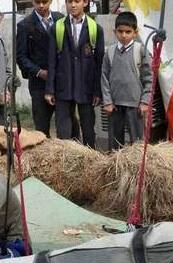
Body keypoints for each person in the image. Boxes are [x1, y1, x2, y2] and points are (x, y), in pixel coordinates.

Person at [45, 0, 105, 148]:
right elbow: (52, 61)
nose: (73, 5)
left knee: (88, 130)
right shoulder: (57, 28)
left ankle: (90, 162)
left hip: (86, 87)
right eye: (69, 1)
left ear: (85, 3)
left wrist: (98, 91)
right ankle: (65, 163)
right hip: (63, 87)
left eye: (77, 1)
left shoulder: (95, 29)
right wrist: (49, 89)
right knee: (63, 132)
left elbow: (99, 63)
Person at [101, 11, 151, 151]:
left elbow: (149, 78)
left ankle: (136, 170)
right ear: (114, 31)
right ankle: (115, 168)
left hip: (135, 106)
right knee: (115, 143)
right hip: (115, 105)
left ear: (135, 32)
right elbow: (104, 77)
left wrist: (145, 101)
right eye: (120, 31)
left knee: (137, 142)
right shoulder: (110, 52)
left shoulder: (140, 50)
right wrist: (108, 101)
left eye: (128, 32)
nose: (124, 35)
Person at [16, 0, 65, 137]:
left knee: (67, 125)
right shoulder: (25, 25)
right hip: (39, 85)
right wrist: (39, 72)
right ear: (33, 2)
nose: (41, 6)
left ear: (50, 1)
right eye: (38, 2)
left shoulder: (60, 19)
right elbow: (21, 57)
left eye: (45, 2)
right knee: (42, 128)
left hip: (61, 83)